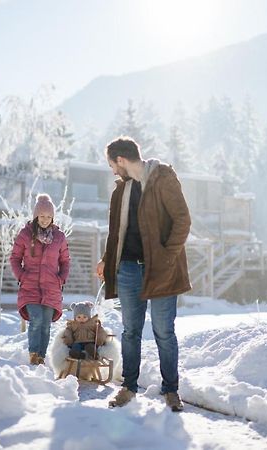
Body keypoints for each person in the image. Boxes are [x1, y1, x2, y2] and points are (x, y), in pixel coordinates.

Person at [96, 136, 191, 412]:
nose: (113, 170)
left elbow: (182, 220)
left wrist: (166, 257)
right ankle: (129, 387)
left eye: (113, 164)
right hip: (127, 269)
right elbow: (117, 232)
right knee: (130, 332)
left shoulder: (163, 179)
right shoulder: (121, 191)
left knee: (164, 332)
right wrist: (106, 259)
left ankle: (171, 390)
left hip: (160, 271)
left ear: (122, 160)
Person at [10, 193, 70, 365]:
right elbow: (15, 258)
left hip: (52, 287)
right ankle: (33, 354)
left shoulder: (59, 237)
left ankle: (41, 357)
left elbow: (65, 261)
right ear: (36, 216)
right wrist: (21, 275)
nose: (45, 220)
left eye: (49, 216)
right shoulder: (25, 234)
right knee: (35, 321)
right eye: (42, 216)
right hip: (30, 286)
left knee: (46, 324)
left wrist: (61, 279)